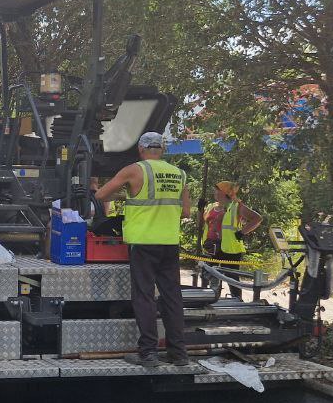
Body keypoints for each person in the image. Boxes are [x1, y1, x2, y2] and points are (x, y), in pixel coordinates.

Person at [95, 132, 192, 367]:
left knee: (145, 296)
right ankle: (179, 353)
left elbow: (100, 194)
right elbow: (186, 212)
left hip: (143, 243)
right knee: (172, 297)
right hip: (169, 243)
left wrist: (126, 193)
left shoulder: (134, 170)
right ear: (163, 149)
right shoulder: (179, 174)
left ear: (141, 149)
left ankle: (148, 353)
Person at [200, 180, 263, 300]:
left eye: (217, 190)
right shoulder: (211, 207)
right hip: (211, 248)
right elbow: (201, 225)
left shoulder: (236, 206)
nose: (215, 192)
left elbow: (257, 219)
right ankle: (210, 302)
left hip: (230, 249)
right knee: (210, 277)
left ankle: (237, 301)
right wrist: (200, 210)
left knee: (232, 278)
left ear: (224, 193)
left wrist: (242, 232)